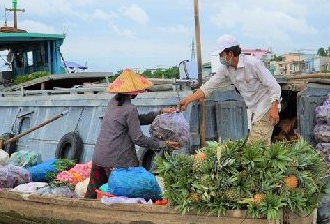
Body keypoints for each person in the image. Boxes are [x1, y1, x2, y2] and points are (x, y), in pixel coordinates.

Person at [85, 69, 179, 198]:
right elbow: (138, 139)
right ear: (133, 92)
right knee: (125, 195)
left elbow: (135, 120)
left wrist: (160, 112)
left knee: (93, 193)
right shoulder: (130, 109)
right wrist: (164, 143)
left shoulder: (112, 103)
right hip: (117, 162)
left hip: (99, 158)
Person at [178, 34, 281, 146]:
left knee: (255, 146)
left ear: (230, 53)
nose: (220, 58)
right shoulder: (226, 69)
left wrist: (274, 107)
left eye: (221, 54)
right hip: (254, 108)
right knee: (261, 147)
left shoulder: (252, 63)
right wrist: (187, 100)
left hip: (267, 105)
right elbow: (208, 87)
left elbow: (274, 86)